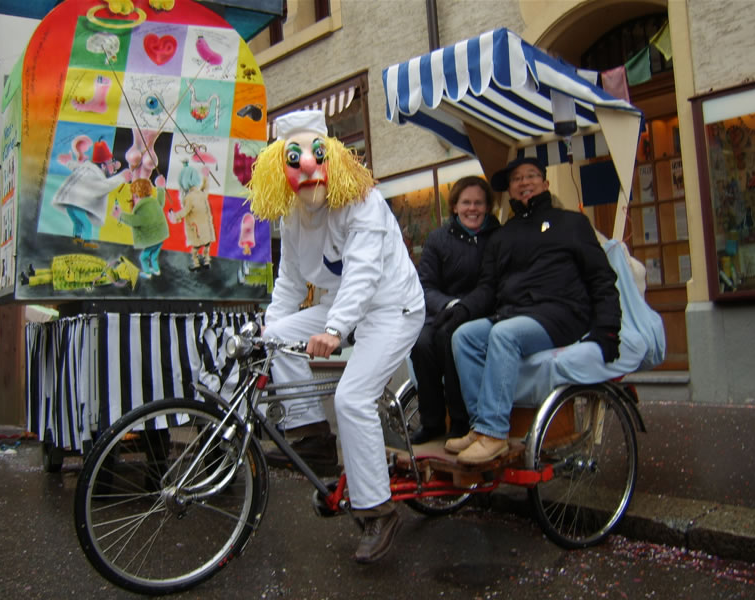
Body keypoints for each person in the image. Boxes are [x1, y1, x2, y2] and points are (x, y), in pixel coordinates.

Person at [247, 110, 425, 563]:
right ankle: (312, 434)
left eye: (316, 155)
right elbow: (289, 282)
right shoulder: (293, 217)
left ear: (334, 156)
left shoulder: (362, 200)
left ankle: (377, 510)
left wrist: (333, 329)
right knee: (273, 338)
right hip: (340, 307)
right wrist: (269, 329)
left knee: (352, 398)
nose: (308, 166)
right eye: (294, 158)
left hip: (391, 307)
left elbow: (364, 272)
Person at [438, 156, 622, 464]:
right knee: (464, 336)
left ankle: (494, 433)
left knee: (504, 334)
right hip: (516, 314)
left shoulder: (572, 223)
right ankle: (480, 427)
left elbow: (601, 277)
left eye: (531, 176)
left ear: (545, 183)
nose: (524, 182)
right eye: (517, 179)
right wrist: (463, 310)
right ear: (510, 190)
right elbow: (488, 287)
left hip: (561, 314)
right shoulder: (503, 235)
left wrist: (608, 328)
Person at [408, 176, 500, 444]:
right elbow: (425, 285)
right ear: (455, 206)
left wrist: (466, 308)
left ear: (488, 207)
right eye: (466, 202)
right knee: (421, 342)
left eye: (478, 203)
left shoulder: (498, 237)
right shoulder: (438, 239)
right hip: (444, 310)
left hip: (482, 311)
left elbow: (494, 284)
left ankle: (461, 420)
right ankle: (432, 422)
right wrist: (449, 305)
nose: (472, 208)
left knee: (448, 337)